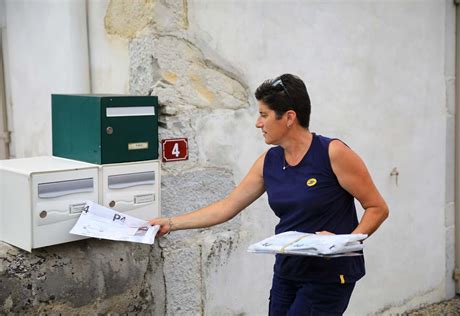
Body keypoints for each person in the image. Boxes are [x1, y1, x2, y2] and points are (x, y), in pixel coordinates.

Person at [149, 73, 389, 315]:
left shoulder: (332, 153)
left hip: (329, 275)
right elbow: (228, 206)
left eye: (264, 115)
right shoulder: (269, 161)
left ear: (288, 118)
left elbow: (377, 208)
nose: (258, 123)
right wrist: (171, 223)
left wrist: (343, 241)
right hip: (288, 271)